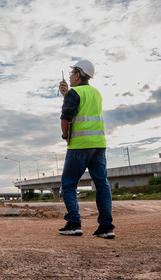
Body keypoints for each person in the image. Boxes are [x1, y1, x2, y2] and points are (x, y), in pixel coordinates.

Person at [58, 60, 115, 239]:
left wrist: (65, 136)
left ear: (77, 74)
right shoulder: (96, 93)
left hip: (80, 146)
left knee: (68, 184)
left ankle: (74, 223)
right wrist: (66, 95)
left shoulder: (74, 92)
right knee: (102, 184)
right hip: (98, 144)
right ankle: (106, 228)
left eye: (71, 73)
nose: (69, 77)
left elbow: (66, 118)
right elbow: (83, 108)